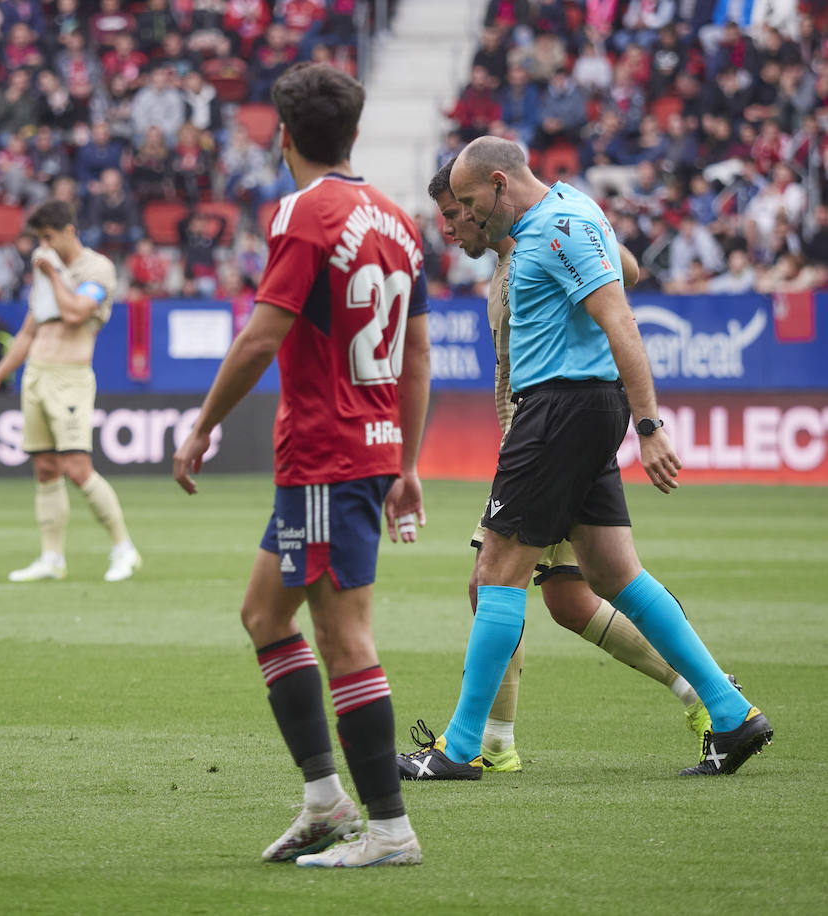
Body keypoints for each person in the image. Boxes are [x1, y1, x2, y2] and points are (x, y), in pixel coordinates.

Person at [400, 136, 771, 781]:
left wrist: (651, 424)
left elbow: (621, 316)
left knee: (496, 574)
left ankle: (463, 750)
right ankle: (729, 710)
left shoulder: (556, 228)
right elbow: (621, 268)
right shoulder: (577, 211)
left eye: (466, 202)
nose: (466, 216)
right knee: (614, 575)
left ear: (497, 183)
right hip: (584, 409)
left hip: (556, 410)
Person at [171, 62, 431, 869]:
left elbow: (262, 335)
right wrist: (406, 462)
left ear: (284, 136)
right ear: (350, 134)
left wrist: (202, 425)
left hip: (323, 455)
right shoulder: (396, 221)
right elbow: (417, 356)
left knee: (344, 634)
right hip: (366, 450)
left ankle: (388, 831)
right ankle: (325, 802)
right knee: (264, 614)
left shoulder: (305, 213)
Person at [0, 199, 140, 584]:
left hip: (70, 377)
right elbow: (30, 331)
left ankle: (123, 548)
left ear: (69, 231)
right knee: (45, 469)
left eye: (48, 237)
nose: (43, 246)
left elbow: (75, 313)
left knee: (78, 469)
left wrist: (50, 272)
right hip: (36, 375)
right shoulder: (46, 273)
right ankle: (52, 558)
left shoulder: (96, 269)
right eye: (39, 239)